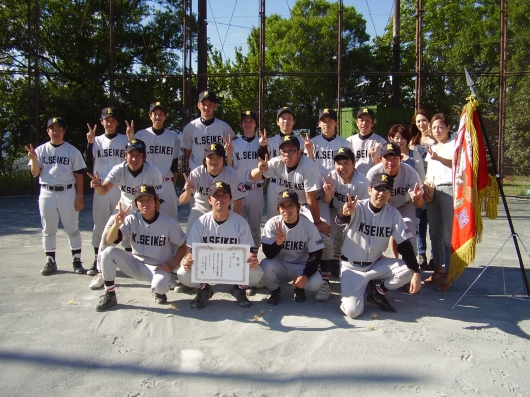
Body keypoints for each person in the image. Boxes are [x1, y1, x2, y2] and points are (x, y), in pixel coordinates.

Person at [250, 135, 334, 301]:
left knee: (325, 237)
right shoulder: (276, 162)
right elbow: (252, 177)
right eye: (284, 151)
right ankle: (276, 273)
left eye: (291, 151)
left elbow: (310, 198)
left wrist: (317, 222)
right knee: (278, 236)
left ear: (300, 152)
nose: (287, 154)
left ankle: (325, 281)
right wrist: (260, 169)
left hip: (309, 205)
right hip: (289, 204)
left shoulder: (308, 166)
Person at [338, 173, 422, 318]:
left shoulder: (393, 214)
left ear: (390, 194)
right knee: (352, 312)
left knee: (409, 269)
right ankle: (362, 287)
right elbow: (341, 219)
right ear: (370, 190)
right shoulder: (357, 207)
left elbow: (404, 244)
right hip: (352, 268)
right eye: (378, 189)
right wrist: (345, 212)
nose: (382, 193)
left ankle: (378, 291)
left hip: (376, 264)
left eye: (386, 190)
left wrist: (416, 272)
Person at [95, 185, 188, 311]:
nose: (145, 203)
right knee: (107, 253)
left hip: (159, 267)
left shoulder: (169, 223)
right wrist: (116, 224)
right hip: (136, 264)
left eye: (149, 199)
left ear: (156, 202)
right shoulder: (131, 219)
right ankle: (110, 294)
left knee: (161, 286)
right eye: (141, 200)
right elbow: (111, 240)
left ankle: (158, 291)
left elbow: (183, 245)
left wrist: (172, 266)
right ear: (136, 204)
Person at [87, 139, 163, 289]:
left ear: (144, 156)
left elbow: (157, 200)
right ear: (125, 155)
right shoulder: (118, 169)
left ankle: (163, 272)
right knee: (106, 239)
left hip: (144, 212)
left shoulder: (153, 172)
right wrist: (97, 186)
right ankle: (102, 273)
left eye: (138, 155)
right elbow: (103, 191)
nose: (134, 159)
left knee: (155, 242)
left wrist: (154, 222)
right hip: (123, 210)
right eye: (131, 155)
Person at [177, 182, 263, 309]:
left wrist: (253, 259)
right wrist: (187, 260)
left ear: (230, 200)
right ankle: (204, 289)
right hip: (207, 266)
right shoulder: (200, 223)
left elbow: (249, 250)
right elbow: (191, 251)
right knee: (183, 273)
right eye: (216, 196)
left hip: (232, 266)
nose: (220, 199)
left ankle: (238, 289)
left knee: (257, 273)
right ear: (209, 200)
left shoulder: (240, 223)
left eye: (224, 195)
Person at [27, 116, 87, 276]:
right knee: (48, 229)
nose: (56, 131)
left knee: (72, 228)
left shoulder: (72, 150)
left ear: (64, 131)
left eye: (59, 128)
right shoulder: (40, 150)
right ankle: (51, 261)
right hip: (46, 192)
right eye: (53, 129)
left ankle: (76, 260)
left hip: (67, 191)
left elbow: (79, 175)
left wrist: (79, 196)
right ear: (48, 131)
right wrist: (33, 159)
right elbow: (35, 173)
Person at [260, 190, 327, 305]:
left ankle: (299, 288)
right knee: (265, 265)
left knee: (316, 282)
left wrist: (305, 275)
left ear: (298, 207)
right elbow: (268, 255)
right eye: (283, 206)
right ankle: (275, 290)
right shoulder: (272, 224)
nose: (287, 210)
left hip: (300, 266)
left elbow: (316, 255)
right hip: (279, 264)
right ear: (278, 209)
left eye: (291, 205)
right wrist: (278, 243)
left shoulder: (308, 226)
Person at [85, 106, 128, 276]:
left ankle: (128, 259)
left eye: (112, 119)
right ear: (101, 122)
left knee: (124, 222)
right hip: (102, 184)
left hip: (120, 186)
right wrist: (89, 143)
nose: (109, 122)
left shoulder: (125, 139)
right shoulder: (96, 140)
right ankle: (98, 260)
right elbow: (87, 161)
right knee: (100, 223)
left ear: (117, 122)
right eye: (106, 119)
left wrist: (131, 139)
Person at [366, 142, 424, 257]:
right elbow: (366, 201)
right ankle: (373, 263)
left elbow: (420, 205)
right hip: (381, 208)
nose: (391, 162)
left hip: (404, 205)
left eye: (394, 158)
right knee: (373, 236)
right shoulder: (373, 173)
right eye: (387, 158)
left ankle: (411, 269)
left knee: (408, 234)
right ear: (379, 159)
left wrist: (417, 199)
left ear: (401, 158)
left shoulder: (410, 173)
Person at [179, 143, 247, 236]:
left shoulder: (231, 175)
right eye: (210, 157)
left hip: (224, 212)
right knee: (190, 241)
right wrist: (188, 192)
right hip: (201, 210)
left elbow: (238, 202)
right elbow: (182, 201)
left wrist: (234, 222)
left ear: (224, 159)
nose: (214, 161)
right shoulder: (196, 173)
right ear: (205, 159)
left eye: (218, 157)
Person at [321, 147, 370, 272]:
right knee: (325, 235)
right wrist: (329, 193)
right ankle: (327, 264)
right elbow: (326, 201)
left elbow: (365, 208)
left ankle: (354, 265)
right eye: (338, 163)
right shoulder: (331, 177)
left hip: (356, 214)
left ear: (354, 164)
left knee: (353, 240)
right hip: (336, 211)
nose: (342, 167)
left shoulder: (362, 182)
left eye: (346, 163)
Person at [422, 113, 455, 292]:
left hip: (449, 189)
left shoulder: (454, 145)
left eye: (441, 126)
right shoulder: (432, 147)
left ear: (448, 127)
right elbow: (429, 172)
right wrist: (426, 185)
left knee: (447, 234)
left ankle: (450, 274)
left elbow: (458, 165)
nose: (437, 130)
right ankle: (438, 269)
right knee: (433, 231)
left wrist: (439, 158)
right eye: (434, 127)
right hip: (433, 191)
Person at [132, 102, 181, 220]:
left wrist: (170, 184)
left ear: (165, 116)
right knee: (143, 218)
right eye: (155, 114)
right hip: (145, 182)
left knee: (170, 219)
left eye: (161, 114)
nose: (158, 117)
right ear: (150, 116)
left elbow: (175, 165)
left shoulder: (173, 137)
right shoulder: (141, 135)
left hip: (166, 182)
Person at [225, 110, 264, 249]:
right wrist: (229, 154)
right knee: (236, 223)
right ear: (241, 124)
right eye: (245, 121)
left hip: (256, 189)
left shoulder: (261, 143)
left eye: (251, 121)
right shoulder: (234, 144)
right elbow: (228, 166)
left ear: (256, 124)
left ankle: (254, 257)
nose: (248, 124)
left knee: (255, 226)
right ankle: (237, 253)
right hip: (238, 190)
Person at [181, 90, 235, 171]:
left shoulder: (225, 127)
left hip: (219, 171)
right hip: (197, 170)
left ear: (215, 106)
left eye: (210, 104)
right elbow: (187, 152)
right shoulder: (190, 127)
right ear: (198, 105)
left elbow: (231, 149)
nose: (206, 108)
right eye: (204, 104)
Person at [410, 109, 436, 269]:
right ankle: (421, 255)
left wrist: (433, 137)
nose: (421, 124)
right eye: (418, 121)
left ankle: (435, 256)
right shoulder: (414, 141)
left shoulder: (437, 139)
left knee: (434, 223)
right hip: (419, 186)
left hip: (433, 186)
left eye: (424, 120)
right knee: (420, 224)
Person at [346, 108, 387, 176]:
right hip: (354, 179)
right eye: (361, 120)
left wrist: (375, 157)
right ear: (357, 122)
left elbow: (383, 167)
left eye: (368, 120)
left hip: (374, 179)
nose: (364, 123)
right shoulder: (349, 141)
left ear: (372, 123)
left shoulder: (381, 142)